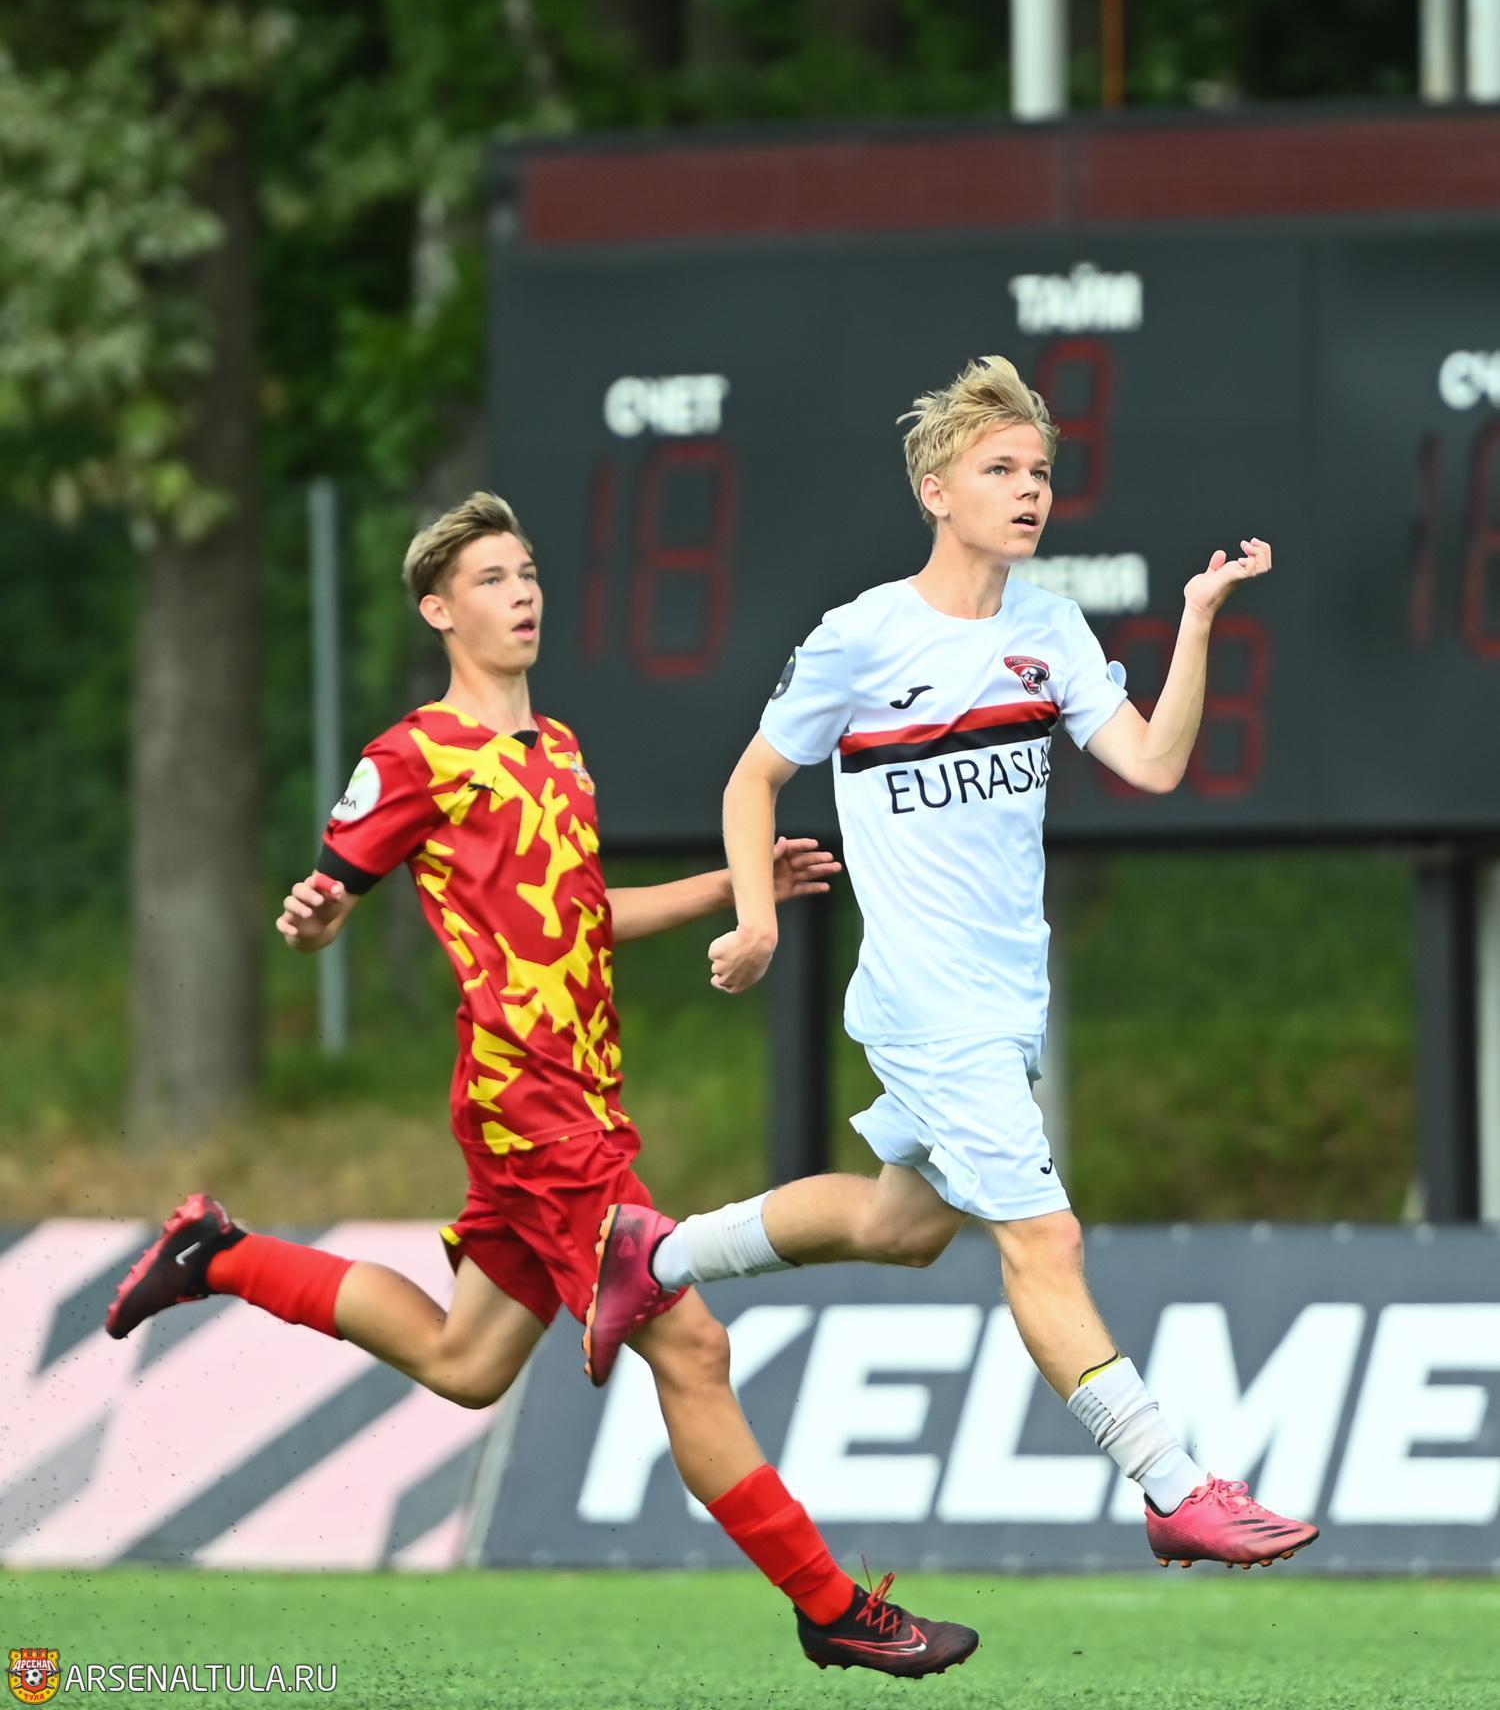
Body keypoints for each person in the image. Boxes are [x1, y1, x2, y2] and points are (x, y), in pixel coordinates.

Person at [105, 490, 979, 1678]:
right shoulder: (413, 754)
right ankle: (832, 1607)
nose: (522, 593)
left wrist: (732, 886)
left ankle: (218, 1250)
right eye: (492, 579)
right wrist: (314, 923)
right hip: (531, 1102)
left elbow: (581, 913)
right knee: (694, 1348)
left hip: (572, 1095)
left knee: (466, 1363)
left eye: (526, 573)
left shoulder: (557, 748)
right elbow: (327, 902)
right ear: (438, 609)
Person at [586, 360, 1319, 1573]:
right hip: (928, 1007)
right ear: (936, 490)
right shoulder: (861, 636)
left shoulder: (1051, 630)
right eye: (1000, 469)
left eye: (1041, 471)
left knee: (901, 1223)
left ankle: (650, 1253)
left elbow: (1153, 763)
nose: (1030, 490)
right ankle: (1173, 1483)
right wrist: (757, 919)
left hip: (1004, 999)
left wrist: (1196, 621)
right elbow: (752, 780)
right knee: (1047, 1238)